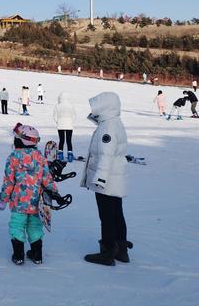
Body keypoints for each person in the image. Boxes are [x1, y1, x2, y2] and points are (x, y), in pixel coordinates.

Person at [81, 92, 132, 266]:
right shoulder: (113, 123)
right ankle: (121, 249)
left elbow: (106, 154)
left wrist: (100, 178)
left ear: (105, 107)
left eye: (96, 106)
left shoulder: (108, 127)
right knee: (117, 213)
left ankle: (108, 251)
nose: (93, 109)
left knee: (107, 216)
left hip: (107, 179)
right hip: (115, 178)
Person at [0, 123, 57, 265]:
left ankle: (18, 255)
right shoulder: (40, 157)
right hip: (36, 201)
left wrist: (3, 199)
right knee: (35, 225)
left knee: (17, 225)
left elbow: (9, 182)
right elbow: (47, 178)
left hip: (19, 201)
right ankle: (37, 255)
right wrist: (54, 191)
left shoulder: (13, 157)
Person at [53, 92, 76, 162]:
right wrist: (71, 121)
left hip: (60, 125)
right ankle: (70, 155)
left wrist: (58, 121)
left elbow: (55, 116)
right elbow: (74, 116)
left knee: (61, 140)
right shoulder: (71, 106)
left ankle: (60, 155)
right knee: (69, 141)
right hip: (69, 125)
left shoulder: (58, 106)